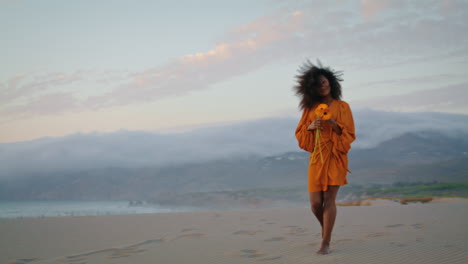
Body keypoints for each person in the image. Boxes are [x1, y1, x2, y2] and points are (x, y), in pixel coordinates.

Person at [294, 60, 355, 255]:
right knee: (314, 204)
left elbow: (349, 135)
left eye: (323, 82)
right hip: (316, 158)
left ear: (330, 81)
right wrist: (311, 127)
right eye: (317, 84)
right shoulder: (309, 109)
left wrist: (333, 123)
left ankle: (325, 242)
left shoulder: (343, 106)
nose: (321, 86)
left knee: (329, 200)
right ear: (310, 88)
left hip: (335, 156)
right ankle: (326, 230)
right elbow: (301, 135)